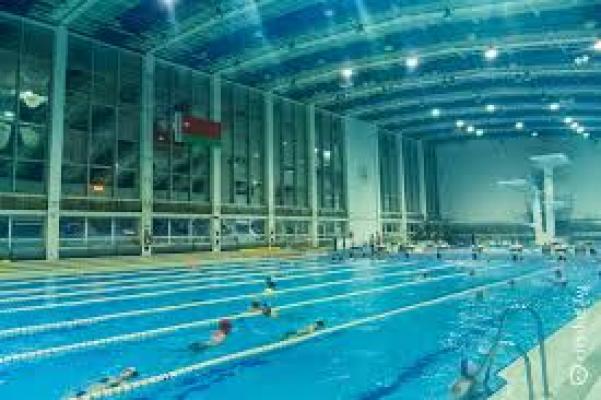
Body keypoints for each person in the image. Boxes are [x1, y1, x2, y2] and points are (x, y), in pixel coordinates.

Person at [73, 367, 139, 399]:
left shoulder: (124, 384)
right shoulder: (110, 377)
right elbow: (95, 385)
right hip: (90, 392)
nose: (124, 371)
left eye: (128, 371)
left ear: (131, 375)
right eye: (125, 370)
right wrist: (85, 392)